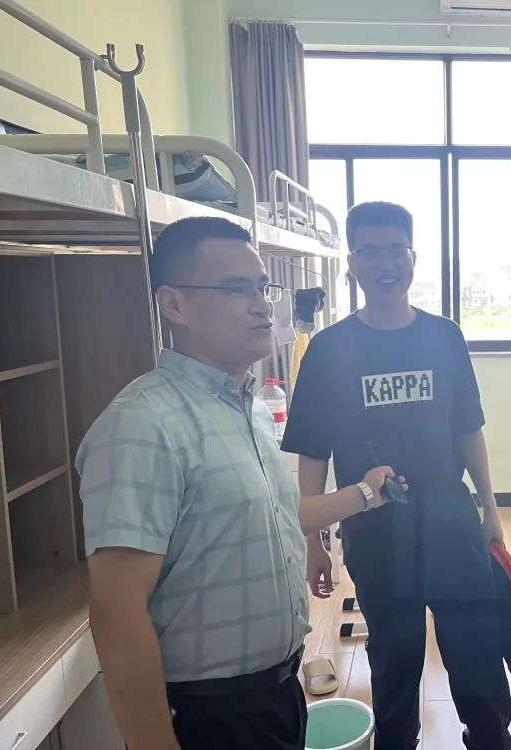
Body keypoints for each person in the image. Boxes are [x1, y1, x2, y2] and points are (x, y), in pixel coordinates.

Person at [76, 216, 404, 750]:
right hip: (210, 712)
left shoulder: (248, 410)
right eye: (235, 289)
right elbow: (116, 612)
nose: (261, 306)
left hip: (276, 694)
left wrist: (365, 494)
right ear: (174, 304)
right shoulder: (142, 425)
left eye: (261, 288)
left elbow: (273, 513)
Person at [281, 202, 511, 750]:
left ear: (413, 257)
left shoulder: (444, 337)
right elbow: (312, 451)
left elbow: (468, 428)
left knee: (476, 650)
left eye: (396, 251)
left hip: (450, 519)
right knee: (394, 656)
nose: (385, 264)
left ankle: (490, 740)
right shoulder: (328, 350)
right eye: (370, 252)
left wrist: (490, 509)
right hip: (375, 527)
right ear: (351, 264)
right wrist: (314, 543)